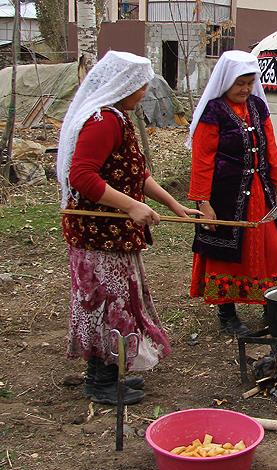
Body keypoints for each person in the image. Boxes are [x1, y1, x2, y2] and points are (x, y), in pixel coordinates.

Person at [58, 51, 201, 405]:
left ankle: (107, 372)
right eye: (141, 85)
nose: (145, 91)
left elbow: (137, 173)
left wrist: (171, 203)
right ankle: (101, 380)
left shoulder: (119, 118)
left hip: (112, 233)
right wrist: (131, 206)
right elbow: (82, 176)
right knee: (105, 302)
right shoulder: (102, 121)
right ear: (123, 85)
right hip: (98, 233)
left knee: (117, 300)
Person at [187, 50, 277, 336]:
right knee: (227, 251)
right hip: (225, 196)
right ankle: (227, 313)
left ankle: (272, 307)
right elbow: (203, 160)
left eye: (249, 82)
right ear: (226, 82)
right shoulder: (214, 112)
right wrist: (203, 202)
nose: (245, 89)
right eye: (239, 83)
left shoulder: (258, 106)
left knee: (272, 250)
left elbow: (271, 148)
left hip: (260, 192)